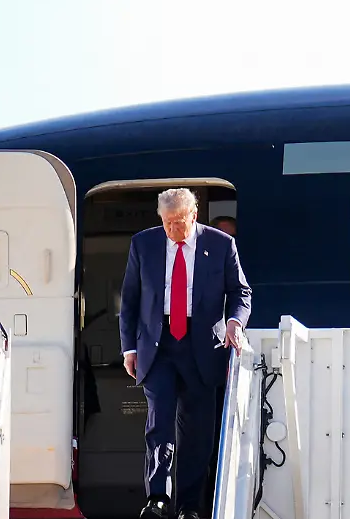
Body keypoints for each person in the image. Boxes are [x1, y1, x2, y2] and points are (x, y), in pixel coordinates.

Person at [119, 189, 252, 519]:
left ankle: (189, 506)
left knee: (196, 432)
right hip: (158, 345)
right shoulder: (143, 244)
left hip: (202, 346)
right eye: (166, 222)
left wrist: (234, 322)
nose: (172, 229)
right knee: (159, 424)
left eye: (178, 222)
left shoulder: (221, 244)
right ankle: (158, 498)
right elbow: (130, 300)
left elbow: (240, 292)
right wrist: (129, 348)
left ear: (193, 215)